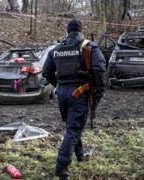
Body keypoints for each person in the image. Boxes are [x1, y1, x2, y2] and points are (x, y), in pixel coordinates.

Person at [42, 18, 106, 179]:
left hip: (62, 94)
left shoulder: (56, 49)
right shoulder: (89, 46)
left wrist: (60, 85)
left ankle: (80, 154)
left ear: (67, 31)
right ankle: (61, 167)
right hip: (79, 93)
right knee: (74, 129)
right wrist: (99, 91)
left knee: (72, 126)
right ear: (81, 30)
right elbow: (99, 70)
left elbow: (46, 73)